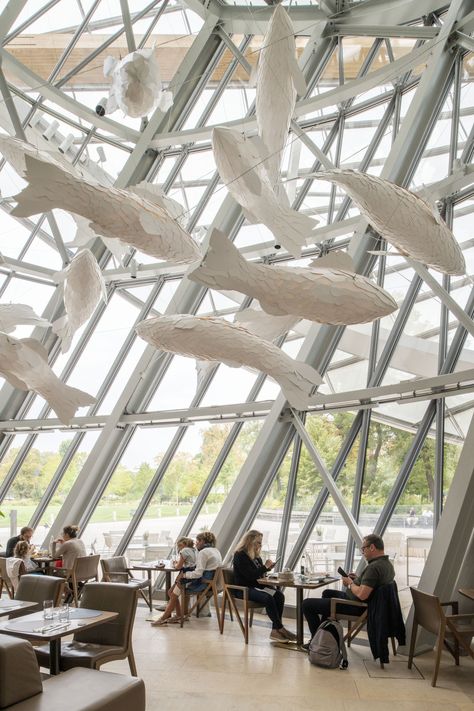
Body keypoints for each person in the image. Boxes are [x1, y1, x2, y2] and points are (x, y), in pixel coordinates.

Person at [302, 533, 395, 641]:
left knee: (306, 604)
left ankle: (316, 641)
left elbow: (362, 595)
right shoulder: (387, 564)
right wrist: (359, 579)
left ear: (372, 547)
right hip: (371, 605)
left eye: (363, 549)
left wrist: (350, 584)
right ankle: (325, 637)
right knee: (327, 593)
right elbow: (372, 585)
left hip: (357, 606)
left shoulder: (373, 568)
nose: (362, 552)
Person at [232, 529, 296, 643]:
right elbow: (249, 576)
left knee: (279, 595)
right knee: (268, 598)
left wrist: (267, 570)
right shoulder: (240, 555)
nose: (260, 545)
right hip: (244, 589)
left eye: (261, 543)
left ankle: (275, 630)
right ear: (250, 541)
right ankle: (280, 628)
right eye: (258, 542)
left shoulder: (256, 557)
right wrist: (264, 567)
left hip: (257, 587)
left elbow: (259, 575)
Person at [152, 536, 197, 625]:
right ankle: (179, 615)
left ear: (183, 544)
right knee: (170, 592)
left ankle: (163, 618)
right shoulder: (193, 550)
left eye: (179, 546)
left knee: (173, 595)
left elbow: (178, 567)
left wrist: (176, 565)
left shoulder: (184, 551)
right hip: (190, 575)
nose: (178, 548)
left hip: (185, 577)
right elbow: (188, 563)